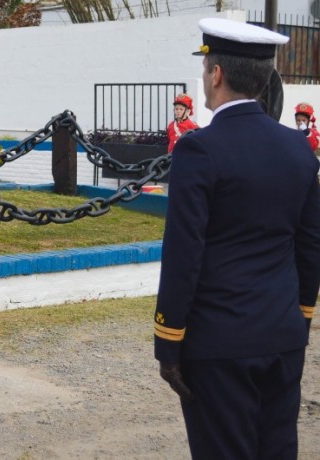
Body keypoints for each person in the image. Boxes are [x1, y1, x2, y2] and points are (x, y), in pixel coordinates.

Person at [153, 18, 320, 459]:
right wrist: (300, 317)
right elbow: (309, 245)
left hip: (219, 342)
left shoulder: (199, 149)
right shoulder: (298, 148)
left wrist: (168, 339)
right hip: (283, 334)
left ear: (216, 74)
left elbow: (184, 253)